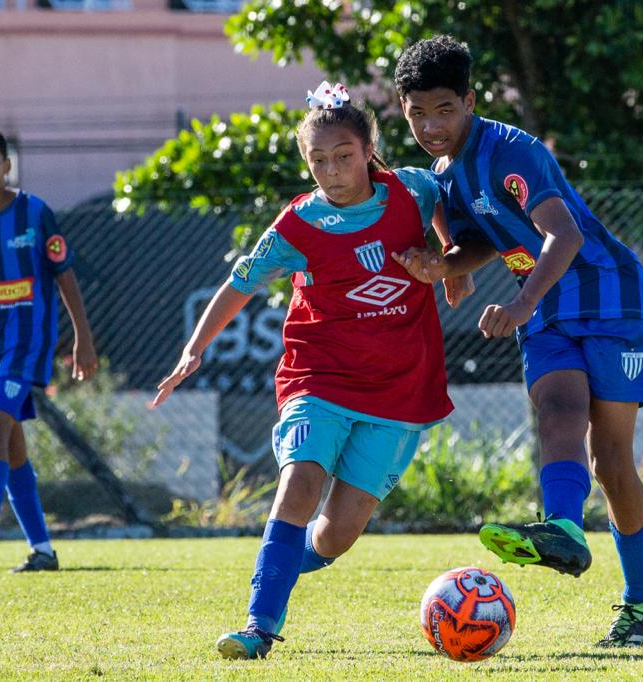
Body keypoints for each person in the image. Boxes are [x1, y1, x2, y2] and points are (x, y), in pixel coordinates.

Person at [150, 82, 458, 660]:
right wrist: (193, 349)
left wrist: (449, 264)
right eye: (318, 160)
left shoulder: (412, 190)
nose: (332, 170)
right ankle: (259, 625)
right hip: (318, 376)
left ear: (368, 151)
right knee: (299, 482)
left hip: (399, 389)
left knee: (337, 535)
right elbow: (237, 285)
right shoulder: (297, 224)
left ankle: (287, 556)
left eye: (343, 156)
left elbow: (442, 208)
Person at [392, 37, 643, 648]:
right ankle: (564, 526)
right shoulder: (446, 173)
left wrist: (520, 302)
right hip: (541, 306)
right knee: (557, 410)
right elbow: (481, 239)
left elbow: (562, 235)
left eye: (444, 110)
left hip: (606, 297)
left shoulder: (512, 150)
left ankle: (641, 603)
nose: (431, 126)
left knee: (613, 461)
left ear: (469, 100)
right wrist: (442, 266)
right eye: (416, 114)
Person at [0, 124, 98, 574]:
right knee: (10, 446)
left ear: (7, 167)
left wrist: (82, 338)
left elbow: (65, 275)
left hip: (28, 341)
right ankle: (43, 550)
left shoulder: (35, 213)